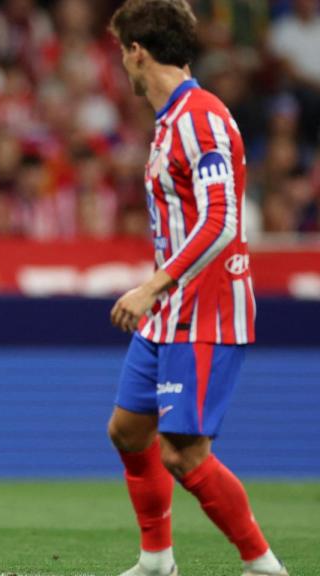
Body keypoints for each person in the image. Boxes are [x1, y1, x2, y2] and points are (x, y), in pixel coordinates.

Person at [106, 2, 287, 576]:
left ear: (137, 51)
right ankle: (157, 560)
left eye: (122, 54)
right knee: (129, 430)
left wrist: (151, 287)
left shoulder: (201, 117)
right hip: (171, 308)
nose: (123, 68)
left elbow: (221, 220)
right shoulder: (170, 122)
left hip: (204, 307)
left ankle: (263, 566)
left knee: (184, 453)